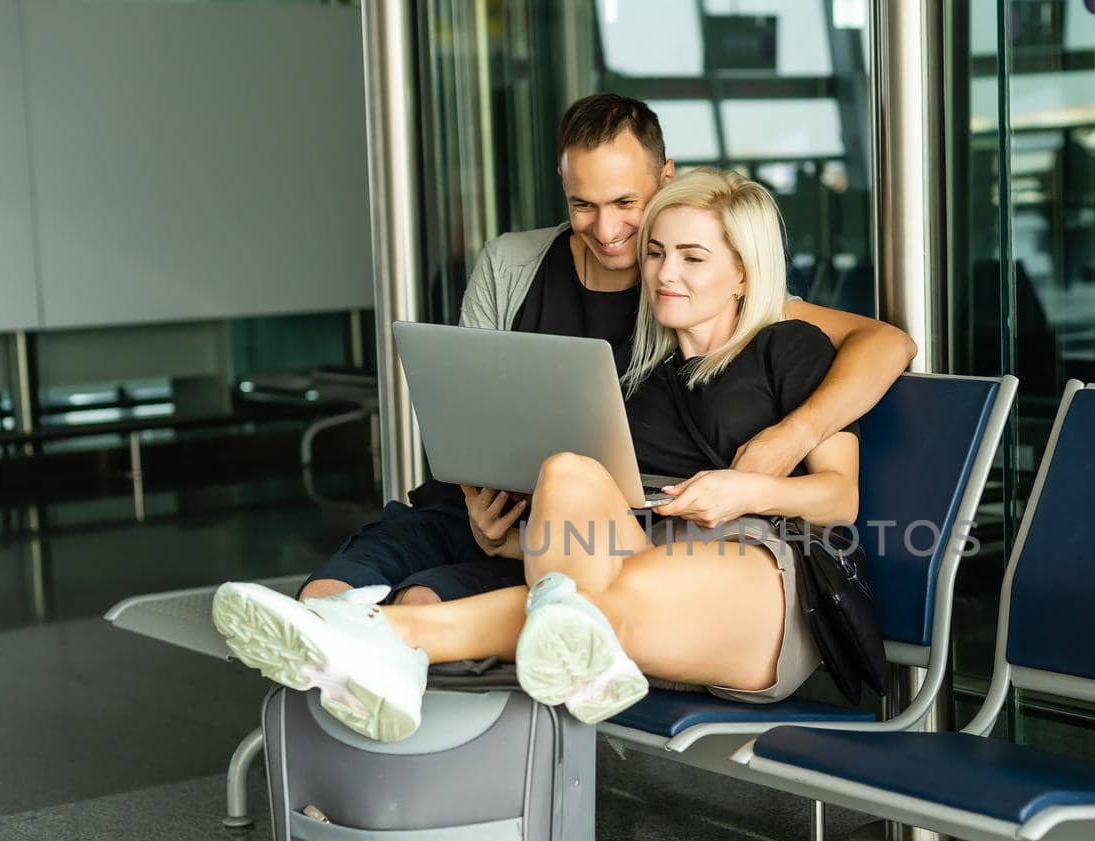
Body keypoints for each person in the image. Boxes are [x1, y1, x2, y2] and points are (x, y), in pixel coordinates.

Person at [199, 92, 911, 841]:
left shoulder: (780, 336)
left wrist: (764, 468)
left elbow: (847, 462)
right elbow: (559, 460)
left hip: (725, 558)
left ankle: (384, 634)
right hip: (572, 535)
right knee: (539, 516)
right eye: (651, 248)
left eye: (673, 245)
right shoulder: (618, 337)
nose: (648, 258)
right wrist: (523, 525)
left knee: (546, 603)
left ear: (731, 260)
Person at [215, 166, 858, 736]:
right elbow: (604, 531)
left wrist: (744, 489)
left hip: (761, 577)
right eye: (657, 253)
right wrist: (516, 545)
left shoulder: (790, 346)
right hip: (645, 566)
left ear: (743, 270)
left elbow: (840, 497)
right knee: (568, 472)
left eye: (693, 258)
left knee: (593, 604)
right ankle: (544, 649)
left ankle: (379, 638)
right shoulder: (639, 377)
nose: (665, 274)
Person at [300, 92, 913, 609]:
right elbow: (468, 412)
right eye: (583, 206)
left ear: (666, 182)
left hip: (583, 538)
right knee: (325, 597)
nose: (608, 229)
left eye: (627, 204)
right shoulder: (513, 263)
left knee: (420, 606)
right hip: (482, 516)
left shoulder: (689, 288)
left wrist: (794, 435)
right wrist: (475, 503)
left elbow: (885, 342)